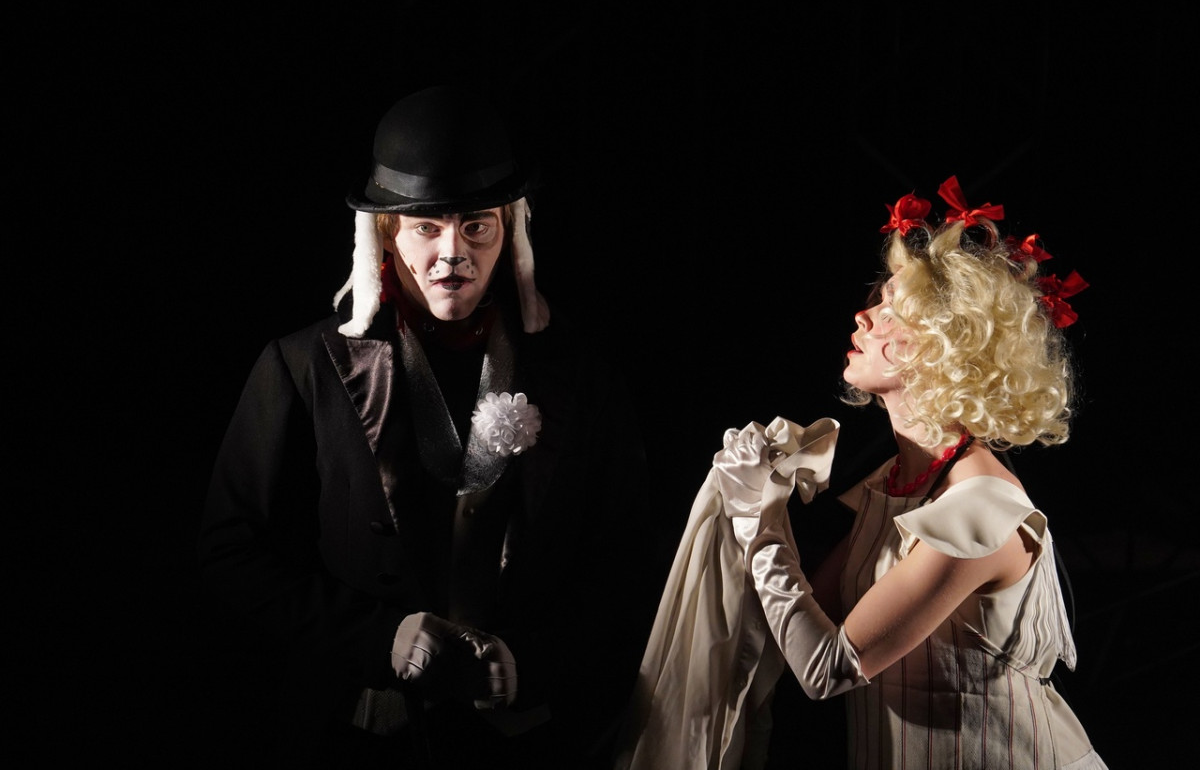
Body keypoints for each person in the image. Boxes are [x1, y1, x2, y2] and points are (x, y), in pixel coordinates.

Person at [198, 84, 651, 769]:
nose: (452, 254)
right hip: (358, 738)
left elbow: (626, 565)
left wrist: (532, 661)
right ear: (385, 231)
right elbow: (230, 553)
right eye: (426, 227)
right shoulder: (301, 366)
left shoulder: (582, 376)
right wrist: (377, 638)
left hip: (527, 744)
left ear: (511, 228)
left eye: (476, 227)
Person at [615, 176, 1105, 769]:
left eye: (891, 309)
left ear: (943, 348)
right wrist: (751, 501)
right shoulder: (895, 482)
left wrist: (758, 521)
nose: (864, 315)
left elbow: (825, 668)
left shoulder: (981, 508)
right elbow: (797, 629)